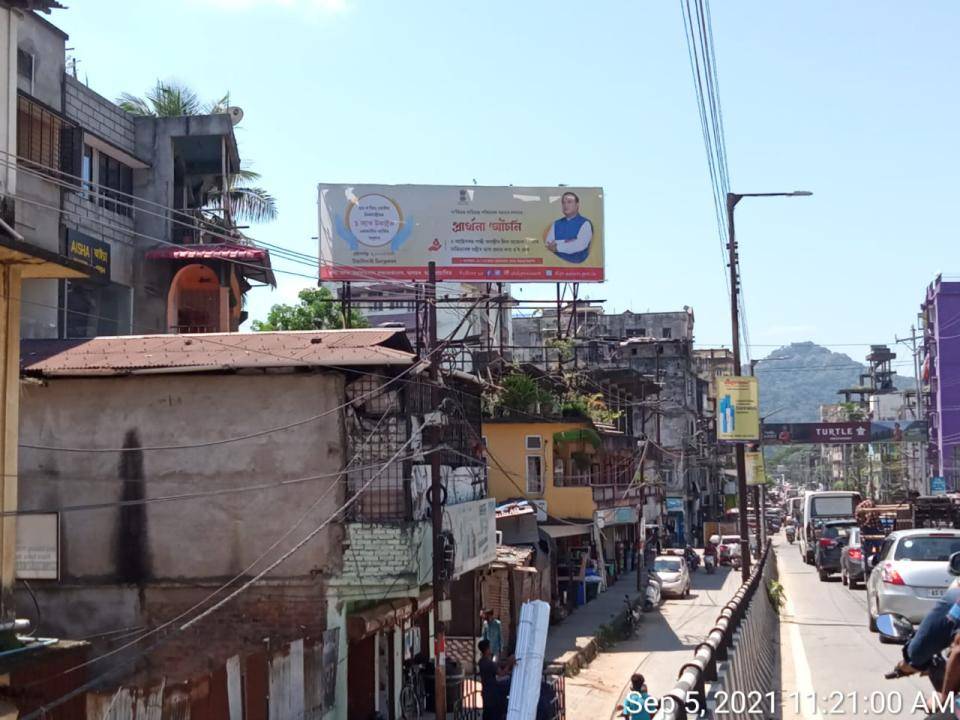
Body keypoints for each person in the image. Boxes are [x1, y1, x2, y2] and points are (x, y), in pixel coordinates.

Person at [545, 191, 594, 263]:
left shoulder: (585, 223)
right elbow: (548, 244)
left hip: (578, 268)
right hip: (556, 265)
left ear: (577, 205)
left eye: (569, 202)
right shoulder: (556, 224)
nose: (565, 205)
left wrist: (557, 246)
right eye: (563, 203)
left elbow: (579, 245)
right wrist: (568, 241)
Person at [478, 639, 514, 720]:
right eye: (489, 648)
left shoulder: (481, 662)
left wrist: (505, 663)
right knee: (495, 713)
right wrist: (509, 663)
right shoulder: (489, 663)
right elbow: (501, 673)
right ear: (487, 650)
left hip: (486, 692)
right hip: (493, 693)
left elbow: (497, 665)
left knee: (487, 714)